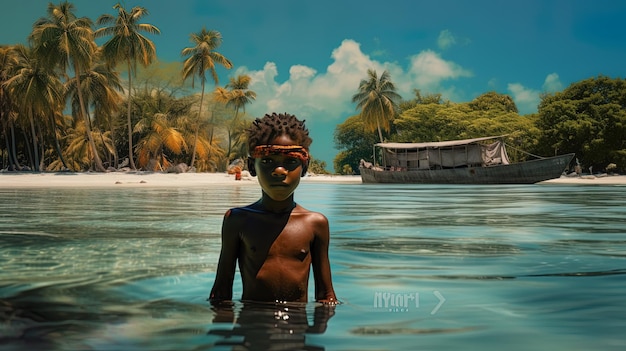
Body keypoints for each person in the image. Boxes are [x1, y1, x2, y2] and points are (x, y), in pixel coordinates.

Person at [209, 112, 338, 304]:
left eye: (291, 162)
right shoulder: (238, 220)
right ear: (252, 167)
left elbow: (326, 298)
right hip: (252, 326)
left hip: (297, 326)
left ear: (304, 167)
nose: (279, 171)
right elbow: (221, 293)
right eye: (268, 161)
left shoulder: (315, 224)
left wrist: (319, 330)